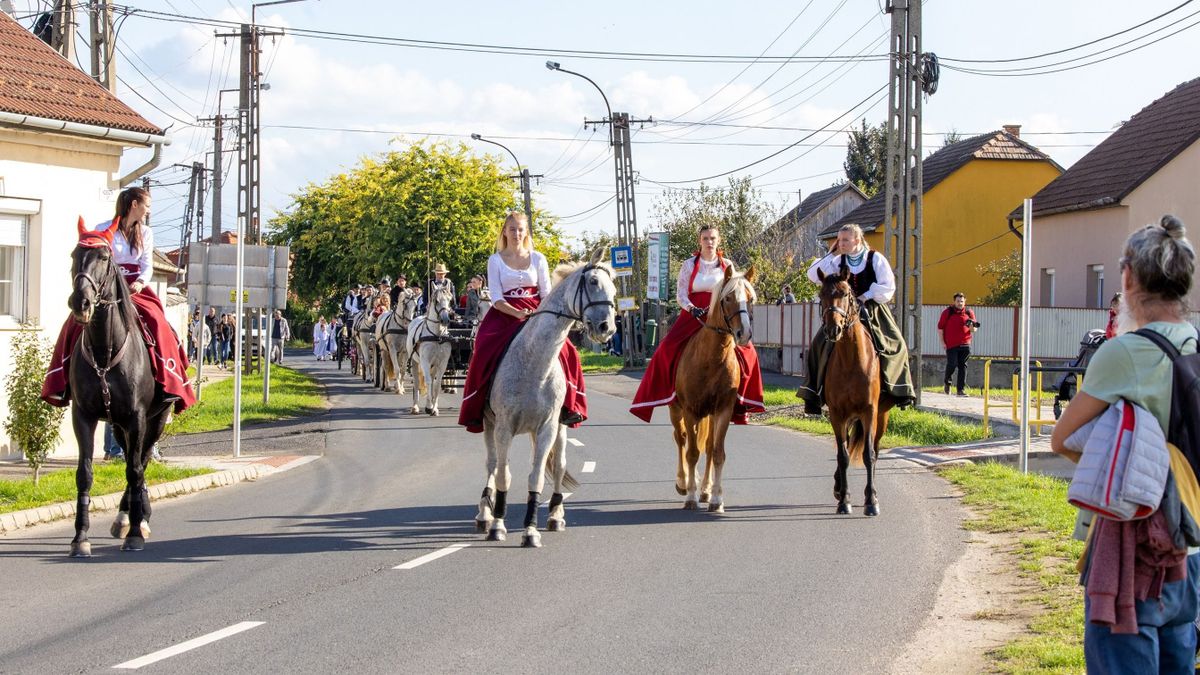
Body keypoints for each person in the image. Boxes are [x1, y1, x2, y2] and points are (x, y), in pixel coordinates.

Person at [1051, 215, 1199, 673]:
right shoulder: (1197, 344)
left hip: (1134, 554)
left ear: (1128, 277)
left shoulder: (1123, 353)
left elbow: (1062, 438)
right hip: (1191, 550)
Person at [42, 187, 196, 414]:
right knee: (73, 324)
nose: (148, 210)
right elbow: (94, 261)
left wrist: (141, 282)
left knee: (157, 320)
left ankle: (169, 379)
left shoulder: (145, 232)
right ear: (134, 204)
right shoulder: (103, 229)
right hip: (105, 288)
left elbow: (146, 265)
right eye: (147, 205)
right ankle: (61, 380)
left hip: (134, 288)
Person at [458, 212, 587, 432]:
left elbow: (546, 292)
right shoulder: (495, 260)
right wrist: (516, 313)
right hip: (504, 314)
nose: (516, 233)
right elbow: (497, 297)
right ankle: (478, 405)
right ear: (504, 232)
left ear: (525, 232)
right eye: (512, 229)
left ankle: (570, 405)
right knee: (482, 350)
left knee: (568, 351)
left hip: (538, 312)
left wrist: (539, 313)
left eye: (520, 229)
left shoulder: (538, 258)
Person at [629, 224, 765, 424]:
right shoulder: (689, 265)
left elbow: (735, 292)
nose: (709, 242)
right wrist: (691, 308)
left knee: (748, 352)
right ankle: (668, 393)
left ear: (718, 241)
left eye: (712, 238)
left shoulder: (727, 265)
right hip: (694, 313)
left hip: (721, 314)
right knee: (665, 349)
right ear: (699, 241)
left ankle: (741, 401)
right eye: (705, 239)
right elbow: (681, 294)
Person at [795, 223, 916, 415]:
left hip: (871, 308)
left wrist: (865, 296)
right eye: (839, 240)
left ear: (857, 240)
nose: (840, 243)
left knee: (896, 343)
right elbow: (813, 275)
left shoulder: (875, 259)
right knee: (818, 345)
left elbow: (887, 287)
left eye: (845, 240)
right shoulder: (837, 260)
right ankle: (813, 394)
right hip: (842, 311)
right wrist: (831, 254)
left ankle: (900, 390)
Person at [938, 292, 977, 396]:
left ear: (965, 302)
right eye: (958, 301)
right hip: (951, 344)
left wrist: (971, 325)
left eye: (962, 301)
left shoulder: (969, 312)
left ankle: (961, 390)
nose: (960, 303)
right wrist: (943, 343)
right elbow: (940, 328)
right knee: (952, 364)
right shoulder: (948, 312)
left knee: (963, 366)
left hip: (966, 344)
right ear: (954, 302)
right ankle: (947, 382)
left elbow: (974, 330)